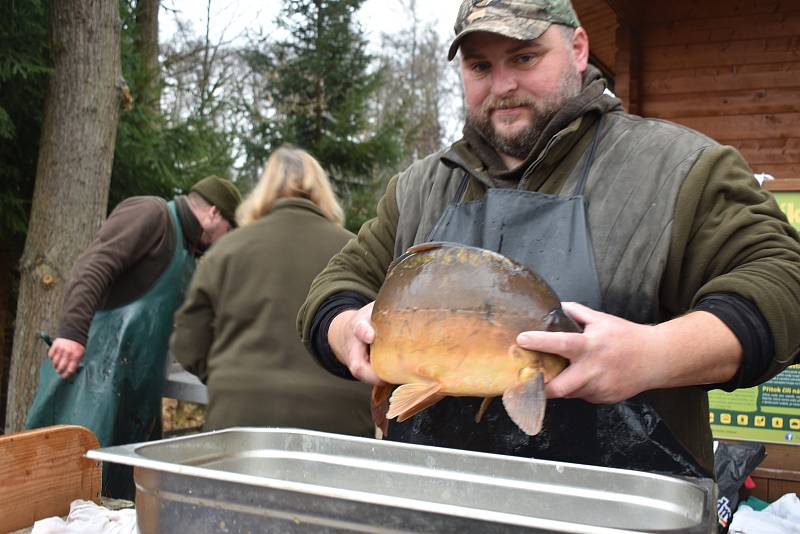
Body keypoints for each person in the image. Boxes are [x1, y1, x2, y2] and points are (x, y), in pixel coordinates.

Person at [298, 0, 800, 478]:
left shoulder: (678, 168)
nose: (503, 84)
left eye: (524, 57)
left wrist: (654, 353)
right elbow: (336, 288)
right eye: (479, 67)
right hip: (436, 503)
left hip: (618, 514)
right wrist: (346, 330)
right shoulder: (419, 189)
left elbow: (785, 278)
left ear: (578, 49)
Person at [26, 175, 242, 498]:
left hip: (136, 398)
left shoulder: (188, 260)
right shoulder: (152, 215)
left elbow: (188, 338)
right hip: (91, 383)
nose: (226, 240)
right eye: (229, 229)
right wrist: (72, 332)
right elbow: (95, 265)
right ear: (213, 213)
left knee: (119, 505)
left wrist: (223, 380)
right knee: (61, 491)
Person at [170, 146, 373, 437]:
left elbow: (188, 342)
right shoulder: (356, 250)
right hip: (340, 424)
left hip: (239, 417)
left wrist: (227, 377)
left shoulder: (225, 251)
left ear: (263, 190)